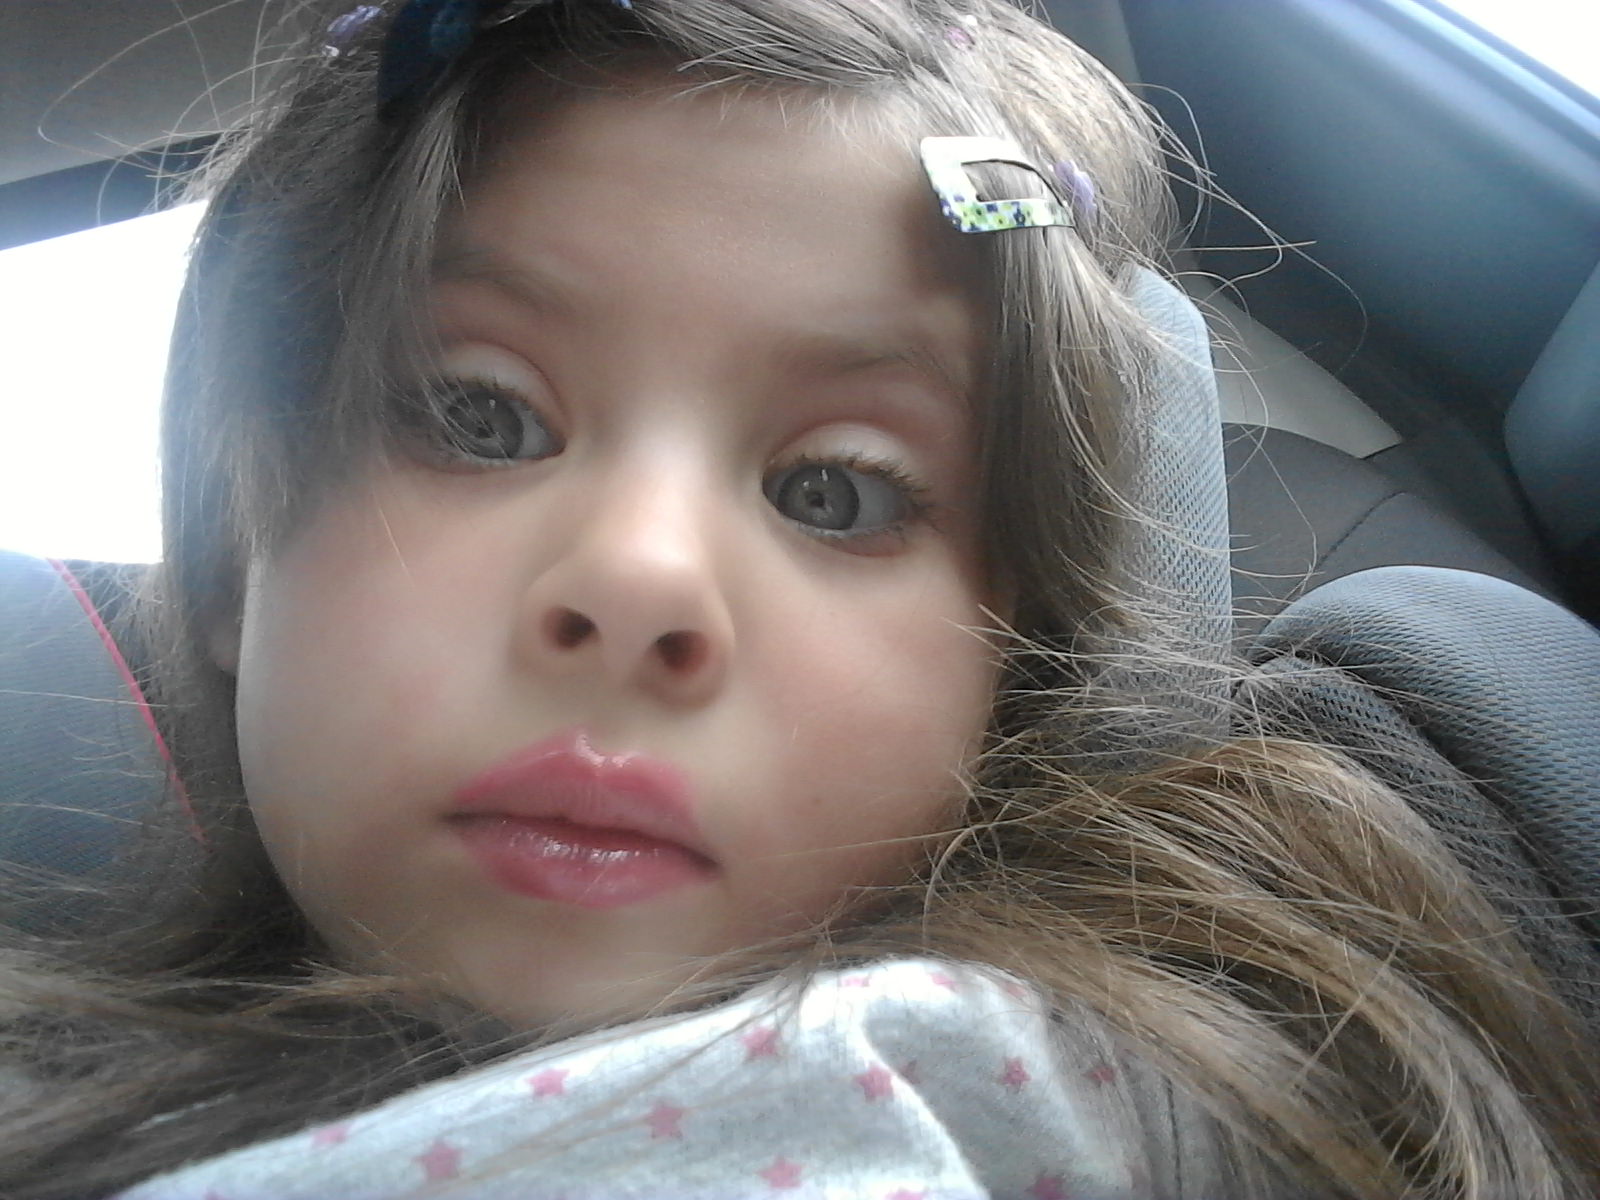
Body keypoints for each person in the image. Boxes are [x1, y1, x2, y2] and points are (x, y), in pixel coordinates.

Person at [2, 0, 1597, 1196]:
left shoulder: (1209, 1078)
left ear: (1009, 675)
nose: (639, 581)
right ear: (239, 555)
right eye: (482, 415)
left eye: (834, 491)